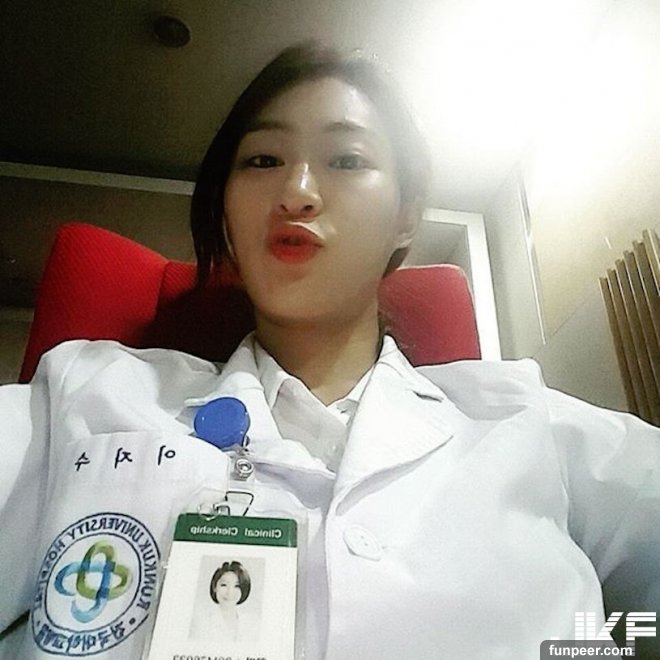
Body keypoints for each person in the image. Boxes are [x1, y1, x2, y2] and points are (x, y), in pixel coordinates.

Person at [1, 42, 659, 660]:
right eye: (263, 160)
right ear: (226, 213)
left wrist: (596, 639)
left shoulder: (525, 419)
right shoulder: (86, 396)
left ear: (407, 216)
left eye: (346, 160)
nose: (297, 192)